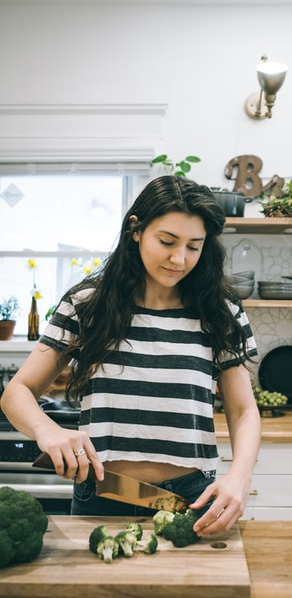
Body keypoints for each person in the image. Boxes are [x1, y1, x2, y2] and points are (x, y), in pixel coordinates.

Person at [1, 175, 261, 536]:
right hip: (102, 493)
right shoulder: (86, 305)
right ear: (136, 230)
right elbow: (17, 391)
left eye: (194, 246)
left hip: (193, 499)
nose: (179, 258)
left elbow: (243, 410)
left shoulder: (221, 312)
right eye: (167, 241)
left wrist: (240, 475)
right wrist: (47, 429)